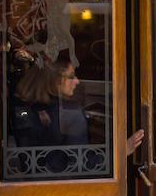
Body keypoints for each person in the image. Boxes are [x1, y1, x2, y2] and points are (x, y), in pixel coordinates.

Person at [9, 56, 145, 164]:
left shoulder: (24, 109)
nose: (77, 81)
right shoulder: (69, 114)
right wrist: (120, 154)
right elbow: (82, 166)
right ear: (56, 80)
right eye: (71, 76)